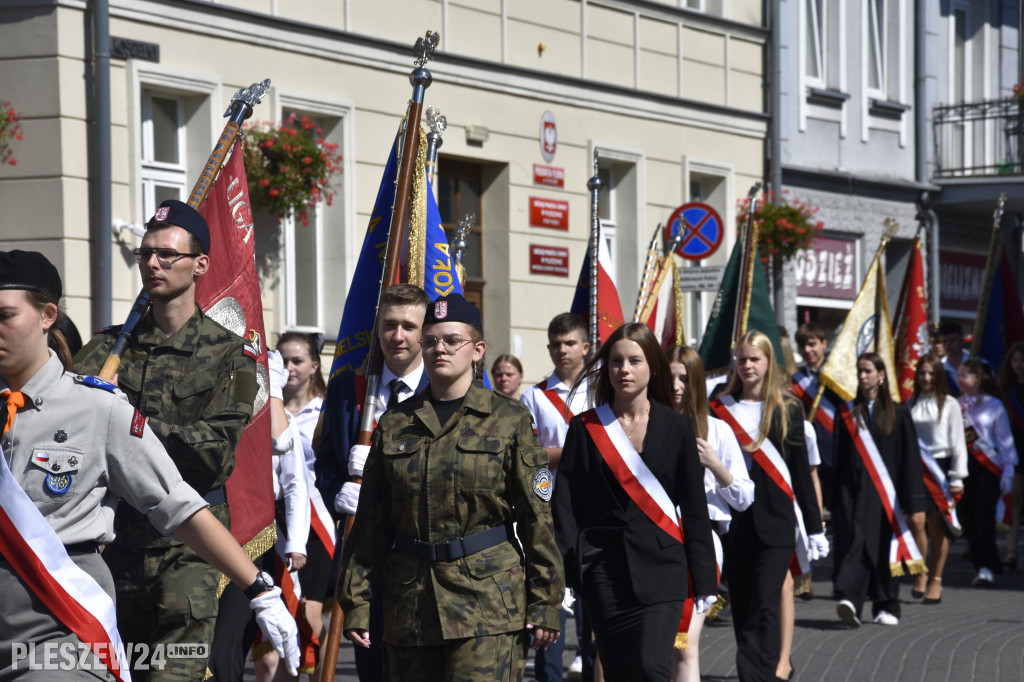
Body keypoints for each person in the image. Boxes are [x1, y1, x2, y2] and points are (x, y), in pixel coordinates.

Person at [0, 250, 299, 679]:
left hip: (59, 626)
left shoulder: (97, 408)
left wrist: (259, 588)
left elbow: (178, 503)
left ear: (48, 316)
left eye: (5, 315)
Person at [73, 200, 259, 680]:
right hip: (113, 546)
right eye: (146, 253)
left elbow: (214, 453)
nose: (152, 263)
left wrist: (125, 420)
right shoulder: (104, 350)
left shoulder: (233, 357)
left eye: (167, 255)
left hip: (187, 551)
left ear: (200, 265)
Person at [338, 293, 563, 681]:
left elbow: (536, 518)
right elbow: (372, 524)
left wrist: (545, 602)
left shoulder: (509, 419)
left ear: (477, 350)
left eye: (451, 340)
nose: (439, 348)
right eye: (430, 340)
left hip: (487, 604)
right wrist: (356, 599)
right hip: (411, 603)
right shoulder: (394, 424)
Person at [553, 323, 717, 682]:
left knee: (650, 666)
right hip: (604, 573)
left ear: (652, 367)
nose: (623, 370)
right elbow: (566, 505)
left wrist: (704, 579)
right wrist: (564, 574)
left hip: (663, 569)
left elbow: (693, 507)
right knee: (619, 671)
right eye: (615, 361)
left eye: (633, 360)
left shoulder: (677, 427)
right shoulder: (585, 428)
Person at [314, 283, 431, 681]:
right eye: (389, 325)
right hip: (367, 562)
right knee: (373, 668)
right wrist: (339, 492)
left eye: (409, 327)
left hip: (426, 564)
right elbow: (326, 458)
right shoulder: (350, 388)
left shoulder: (444, 391)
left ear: (425, 332)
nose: (397, 336)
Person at [708, 330, 826, 682]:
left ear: (768, 362)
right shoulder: (718, 404)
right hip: (736, 520)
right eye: (741, 359)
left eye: (754, 359)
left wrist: (815, 526)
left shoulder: (788, 407)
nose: (747, 366)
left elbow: (802, 474)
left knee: (765, 600)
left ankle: (764, 673)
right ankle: (752, 672)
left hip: (776, 522)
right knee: (742, 603)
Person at [666, 346, 753, 682]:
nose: (676, 386)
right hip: (651, 540)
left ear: (698, 383)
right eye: (669, 377)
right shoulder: (643, 426)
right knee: (652, 644)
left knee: (684, 644)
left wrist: (717, 465)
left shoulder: (717, 431)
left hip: (701, 541)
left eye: (684, 379)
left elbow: (745, 497)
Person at [520, 312, 592, 682]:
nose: (562, 351)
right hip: (549, 505)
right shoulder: (534, 395)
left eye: (569, 343)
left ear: (585, 346)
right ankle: (550, 674)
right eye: (555, 344)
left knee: (593, 599)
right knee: (551, 591)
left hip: (595, 505)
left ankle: (593, 664)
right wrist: (577, 450)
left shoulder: (599, 390)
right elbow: (528, 453)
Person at [831, 353, 927, 627]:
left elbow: (910, 460)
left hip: (888, 497)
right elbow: (838, 459)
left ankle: (888, 606)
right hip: (854, 494)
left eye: (868, 371)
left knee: (885, 548)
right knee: (856, 542)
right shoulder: (847, 412)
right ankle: (852, 600)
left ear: (881, 375)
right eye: (859, 371)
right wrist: (835, 498)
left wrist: (914, 502)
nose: (862, 376)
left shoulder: (899, 413)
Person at [278, 331, 334, 680]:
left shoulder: (327, 410)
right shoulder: (267, 407)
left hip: (317, 524)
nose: (289, 367)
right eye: (282, 360)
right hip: (275, 523)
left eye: (297, 360)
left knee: (309, 615)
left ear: (314, 365)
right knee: (281, 615)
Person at [254, 349, 310, 682]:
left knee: (282, 617)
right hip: (233, 524)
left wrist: (297, 543)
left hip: (275, 527)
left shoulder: (282, 420)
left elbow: (295, 484)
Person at [908, 353, 968, 603]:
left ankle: (936, 579)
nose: (926, 378)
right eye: (922, 373)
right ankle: (920, 571)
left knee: (937, 527)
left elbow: (958, 443)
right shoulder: (910, 404)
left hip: (941, 469)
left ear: (939, 376)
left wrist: (957, 477)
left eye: (931, 373)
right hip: (915, 468)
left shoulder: (951, 404)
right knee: (915, 520)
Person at [958, 359, 1018, 587]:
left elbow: (1004, 440)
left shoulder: (994, 405)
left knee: (983, 516)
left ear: (978, 378)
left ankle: (986, 566)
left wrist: (1009, 470)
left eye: (965, 376)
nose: (960, 380)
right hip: (965, 467)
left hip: (988, 467)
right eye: (959, 375)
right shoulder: (956, 404)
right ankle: (983, 563)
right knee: (969, 519)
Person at [997, 341, 1024, 570]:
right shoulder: (1005, 390)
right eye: (1015, 360)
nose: (1019, 365)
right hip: (1015, 452)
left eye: (1022, 360)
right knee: (1014, 502)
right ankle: (1012, 551)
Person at [939, 322, 971, 395]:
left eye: (952, 340)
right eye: (944, 341)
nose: (948, 344)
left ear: (962, 340)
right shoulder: (939, 368)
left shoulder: (978, 365)